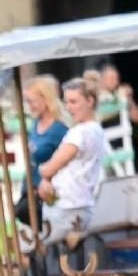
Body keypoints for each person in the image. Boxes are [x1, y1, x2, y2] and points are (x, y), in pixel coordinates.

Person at [38, 77, 107, 251]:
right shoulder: (96, 129)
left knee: (51, 256)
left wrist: (42, 171)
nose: (68, 108)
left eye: (74, 101)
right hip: (83, 202)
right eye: (67, 102)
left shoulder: (79, 132)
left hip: (66, 205)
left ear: (90, 101)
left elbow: (51, 167)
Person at [17, 75, 67, 231]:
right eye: (27, 101)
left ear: (46, 99)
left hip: (49, 192)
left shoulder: (60, 129)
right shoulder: (35, 124)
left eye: (32, 101)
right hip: (31, 188)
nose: (29, 106)